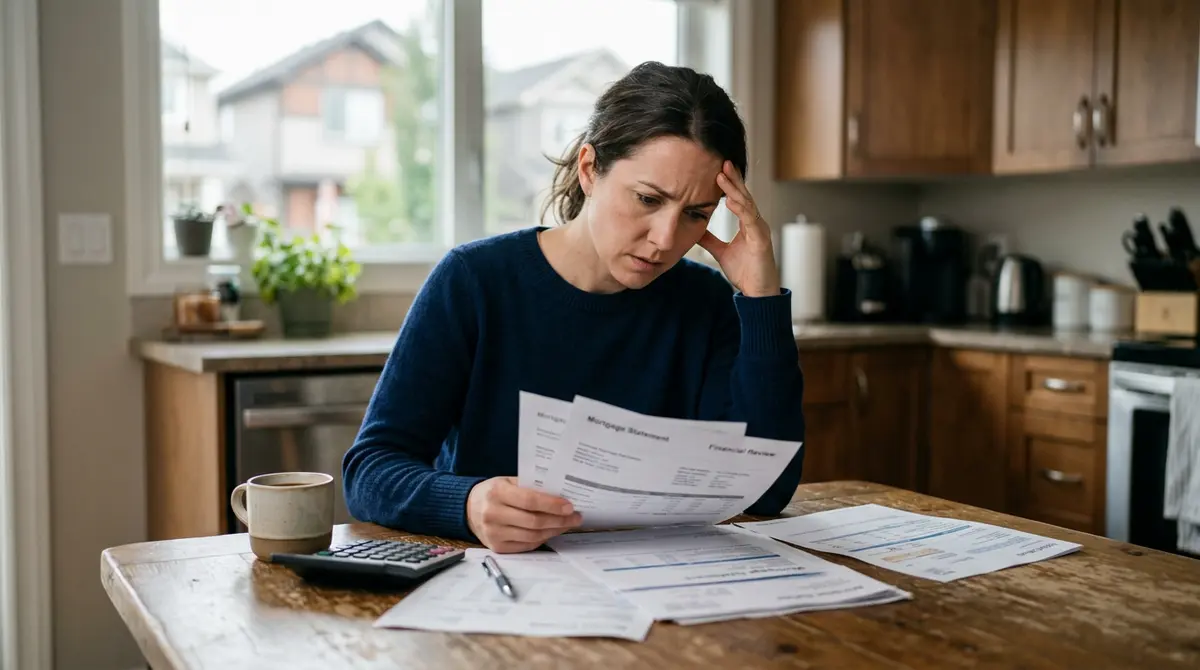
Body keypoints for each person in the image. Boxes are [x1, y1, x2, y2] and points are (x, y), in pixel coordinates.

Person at [343, 61, 805, 553]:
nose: (666, 240)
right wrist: (468, 502)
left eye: (696, 214)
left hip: (657, 588)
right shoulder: (474, 282)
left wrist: (761, 300)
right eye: (648, 199)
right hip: (495, 587)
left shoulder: (708, 303)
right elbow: (370, 470)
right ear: (590, 169)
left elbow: (767, 492)